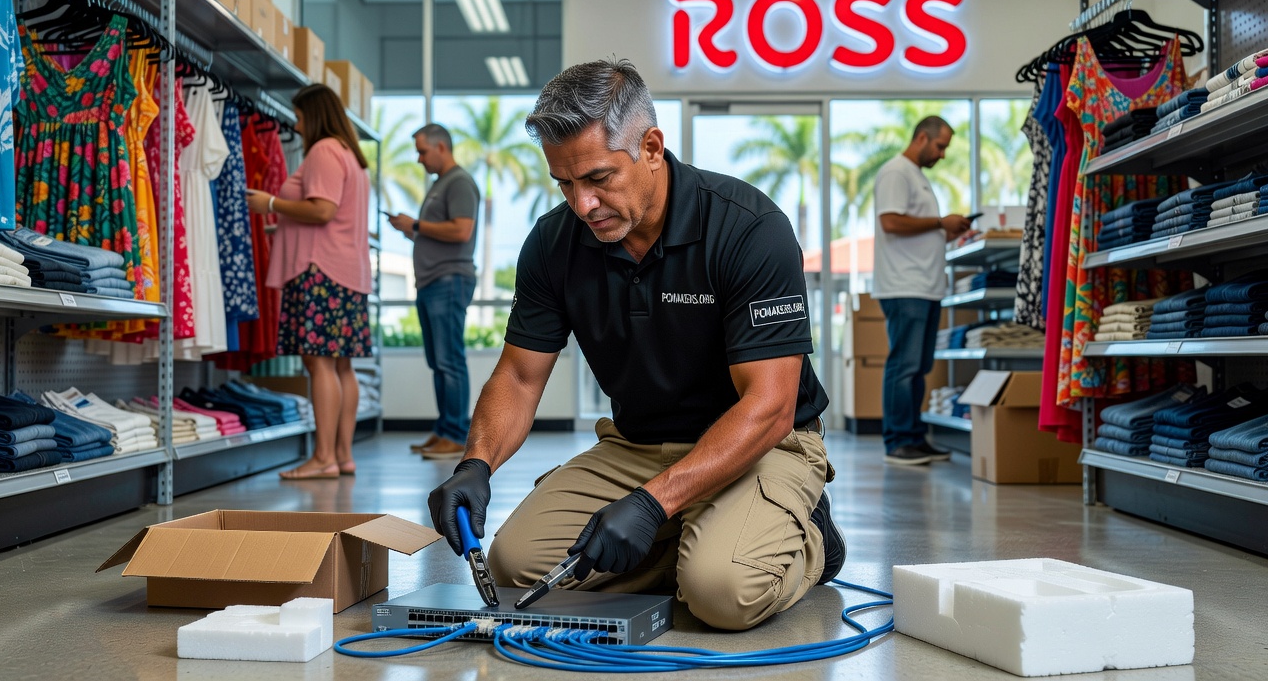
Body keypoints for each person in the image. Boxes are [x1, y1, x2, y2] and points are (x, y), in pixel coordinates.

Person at [427, 59, 844, 632]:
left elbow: (770, 406)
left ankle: (808, 537)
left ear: (650, 147)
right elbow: (521, 377)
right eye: (565, 184)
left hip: (763, 443)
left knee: (721, 593)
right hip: (637, 446)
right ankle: (702, 529)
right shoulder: (554, 244)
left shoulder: (748, 228)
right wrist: (476, 463)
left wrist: (651, 504)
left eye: (598, 179)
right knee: (515, 564)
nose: (582, 205)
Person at [245, 84, 372, 479]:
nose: (296, 126)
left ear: (313, 115)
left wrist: (268, 203)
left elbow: (321, 210)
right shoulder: (351, 156)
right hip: (346, 272)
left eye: (299, 117)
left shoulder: (323, 151)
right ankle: (342, 456)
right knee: (341, 367)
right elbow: (332, 216)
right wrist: (281, 228)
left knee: (318, 365)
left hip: (320, 273)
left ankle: (322, 459)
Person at [871, 116, 971, 467]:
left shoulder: (916, 178)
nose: (942, 154)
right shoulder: (897, 172)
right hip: (905, 285)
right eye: (940, 146)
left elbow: (918, 228)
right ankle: (898, 441)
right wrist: (940, 223)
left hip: (924, 286)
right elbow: (891, 221)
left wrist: (948, 231)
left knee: (918, 366)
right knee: (905, 365)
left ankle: (913, 437)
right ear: (922, 138)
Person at [387, 124, 480, 459]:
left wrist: (415, 225)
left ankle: (456, 435)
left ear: (442, 147)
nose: (418, 158)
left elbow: (461, 230)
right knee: (439, 361)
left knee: (449, 360)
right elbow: (436, 233)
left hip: (448, 281)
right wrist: (409, 229)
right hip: (432, 282)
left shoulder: (459, 183)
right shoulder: (441, 185)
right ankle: (444, 430)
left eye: (422, 151)